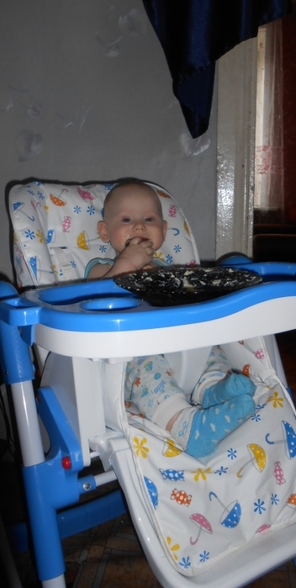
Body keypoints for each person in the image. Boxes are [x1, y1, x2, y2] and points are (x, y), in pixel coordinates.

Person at [86, 181, 256, 459]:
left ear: (163, 231)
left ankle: (212, 390)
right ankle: (186, 426)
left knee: (208, 347)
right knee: (147, 363)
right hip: (132, 359)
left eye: (149, 219)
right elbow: (96, 297)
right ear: (105, 231)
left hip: (179, 349)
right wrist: (127, 264)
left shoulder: (170, 271)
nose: (139, 226)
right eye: (127, 220)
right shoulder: (101, 268)